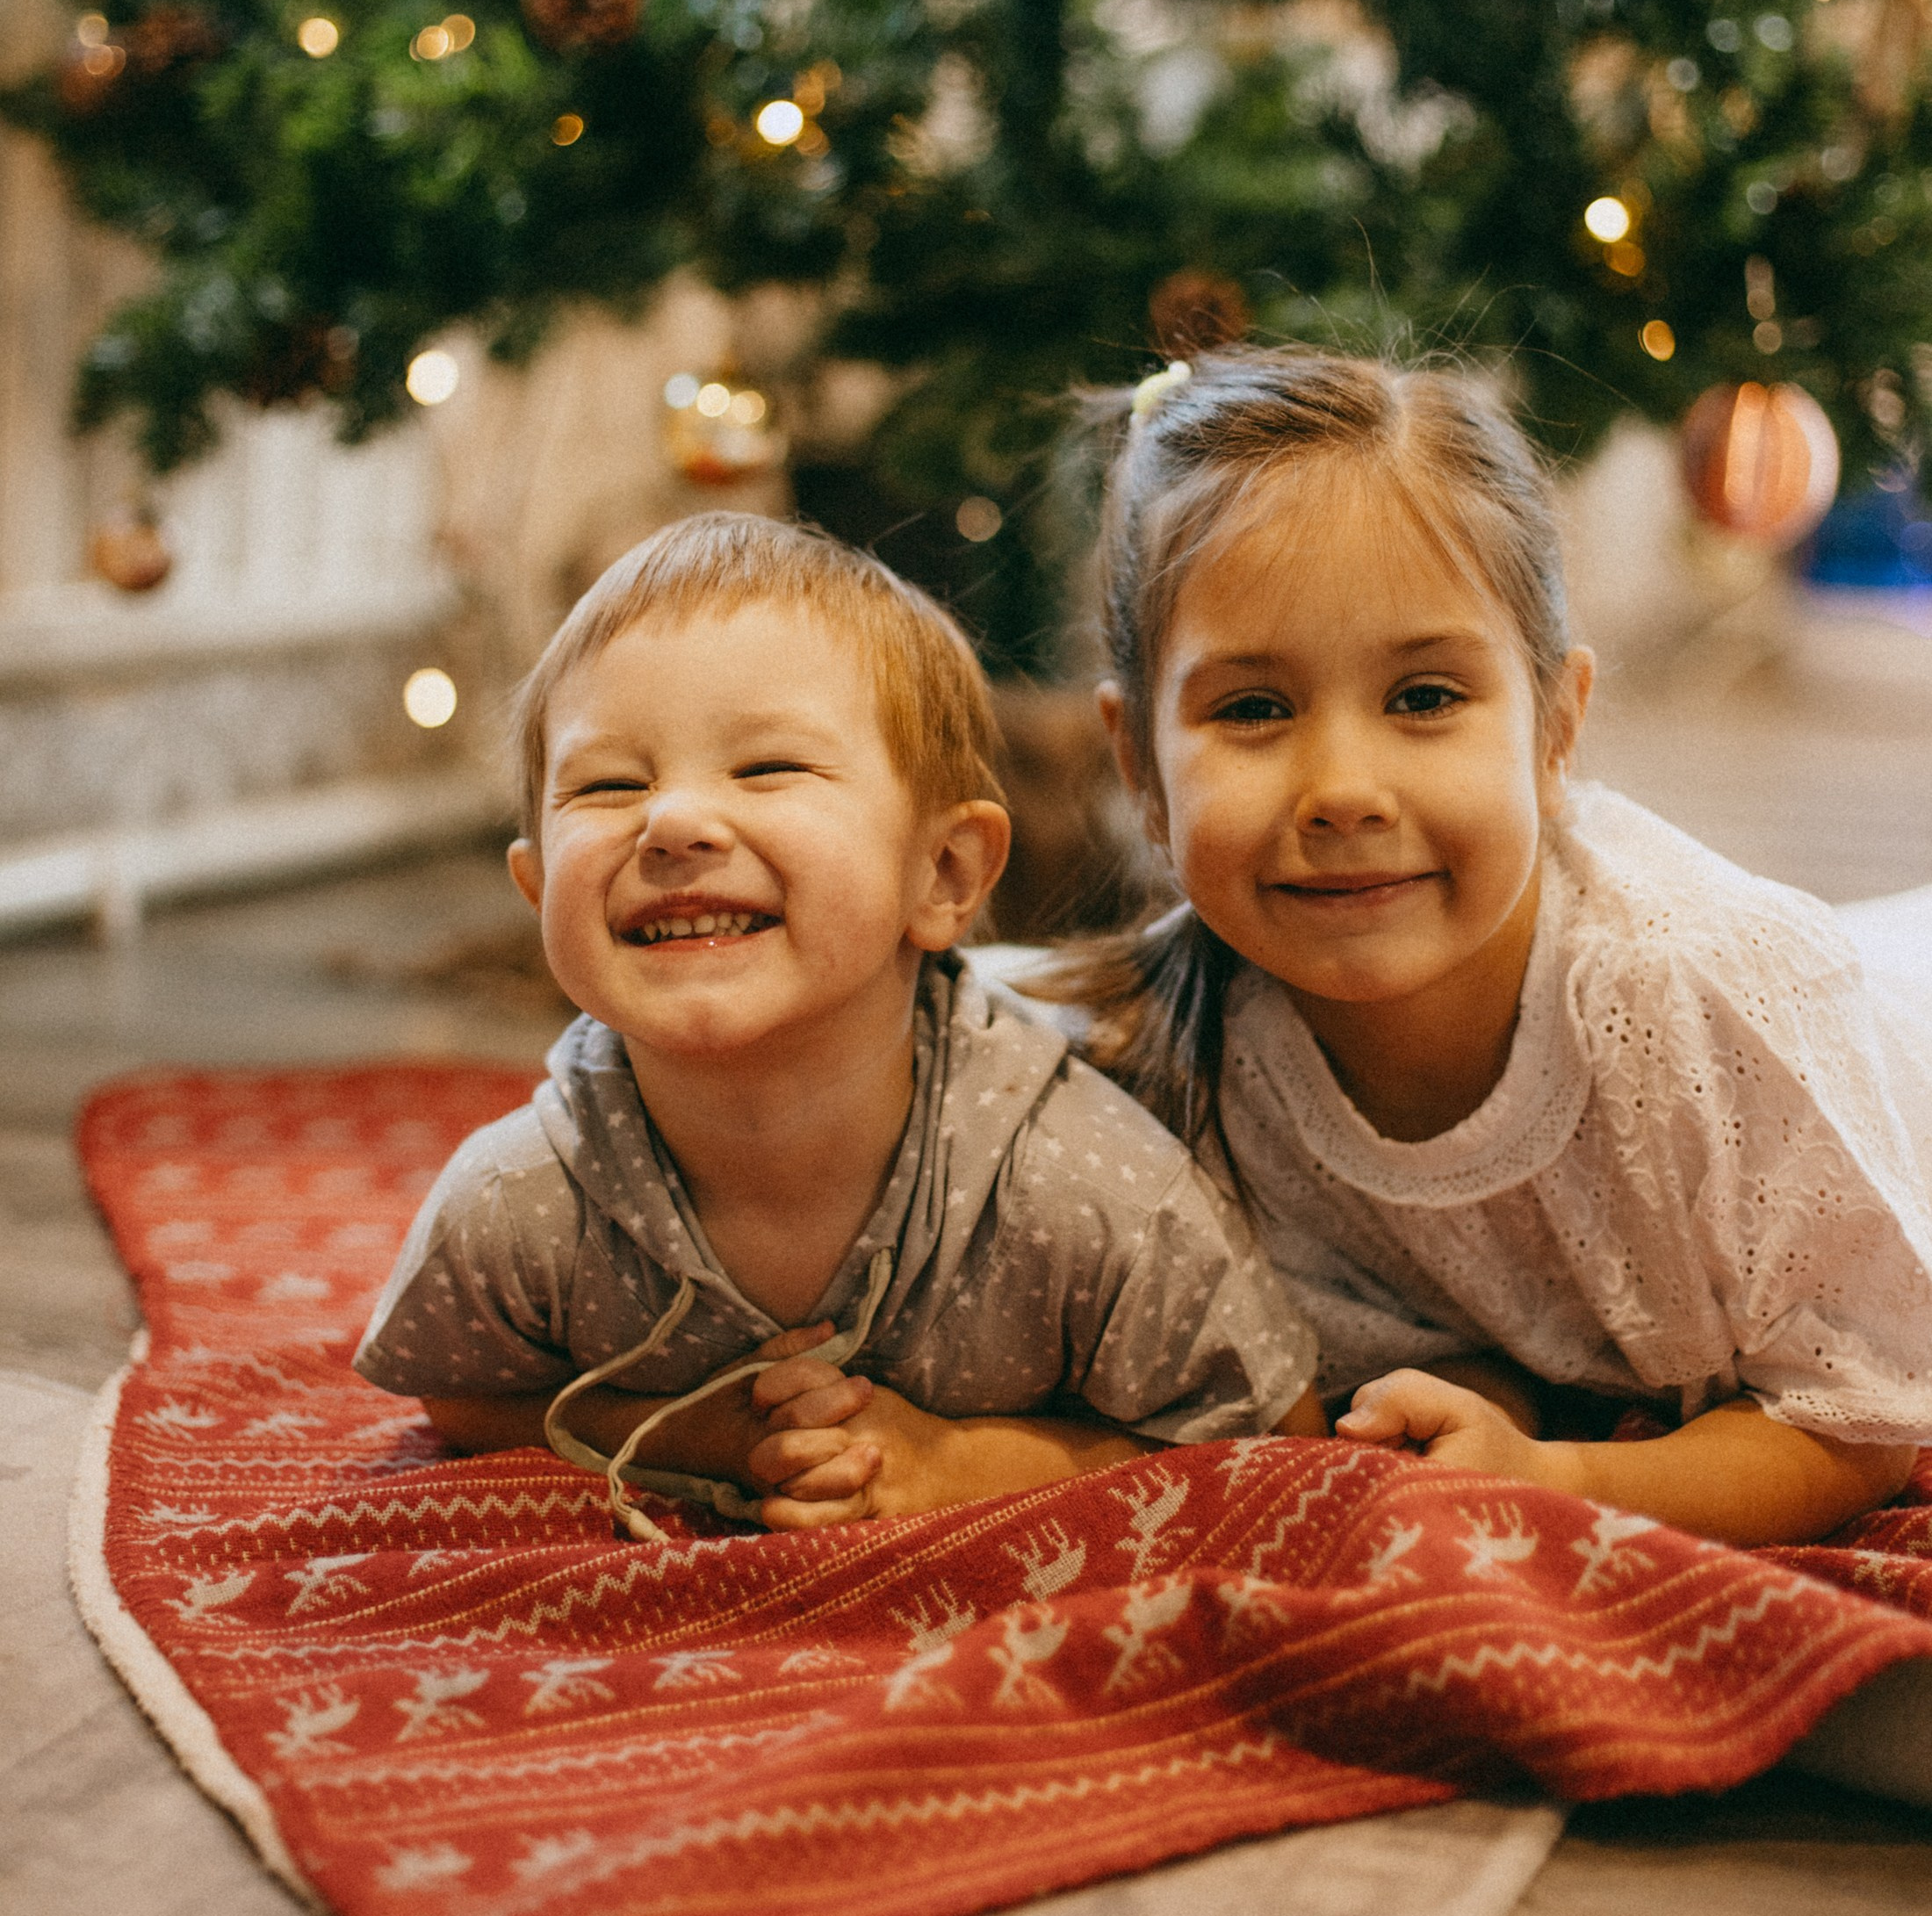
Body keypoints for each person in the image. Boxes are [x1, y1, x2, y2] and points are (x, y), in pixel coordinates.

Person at [1039, 342, 1932, 1549]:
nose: (1344, 790)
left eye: (1423, 698)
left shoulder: (1698, 991)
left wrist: (1555, 1478)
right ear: (1141, 766)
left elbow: (1862, 1420)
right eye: (1254, 708)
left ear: (1556, 730)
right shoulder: (1180, 1053)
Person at [355, 512, 1323, 1531]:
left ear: (943, 874)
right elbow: (459, 1388)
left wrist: (975, 1463)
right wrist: (698, 1432)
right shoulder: (517, 1200)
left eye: (767, 768)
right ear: (538, 882)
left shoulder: (1087, 1192)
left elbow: (1274, 1436)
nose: (674, 821)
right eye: (611, 785)